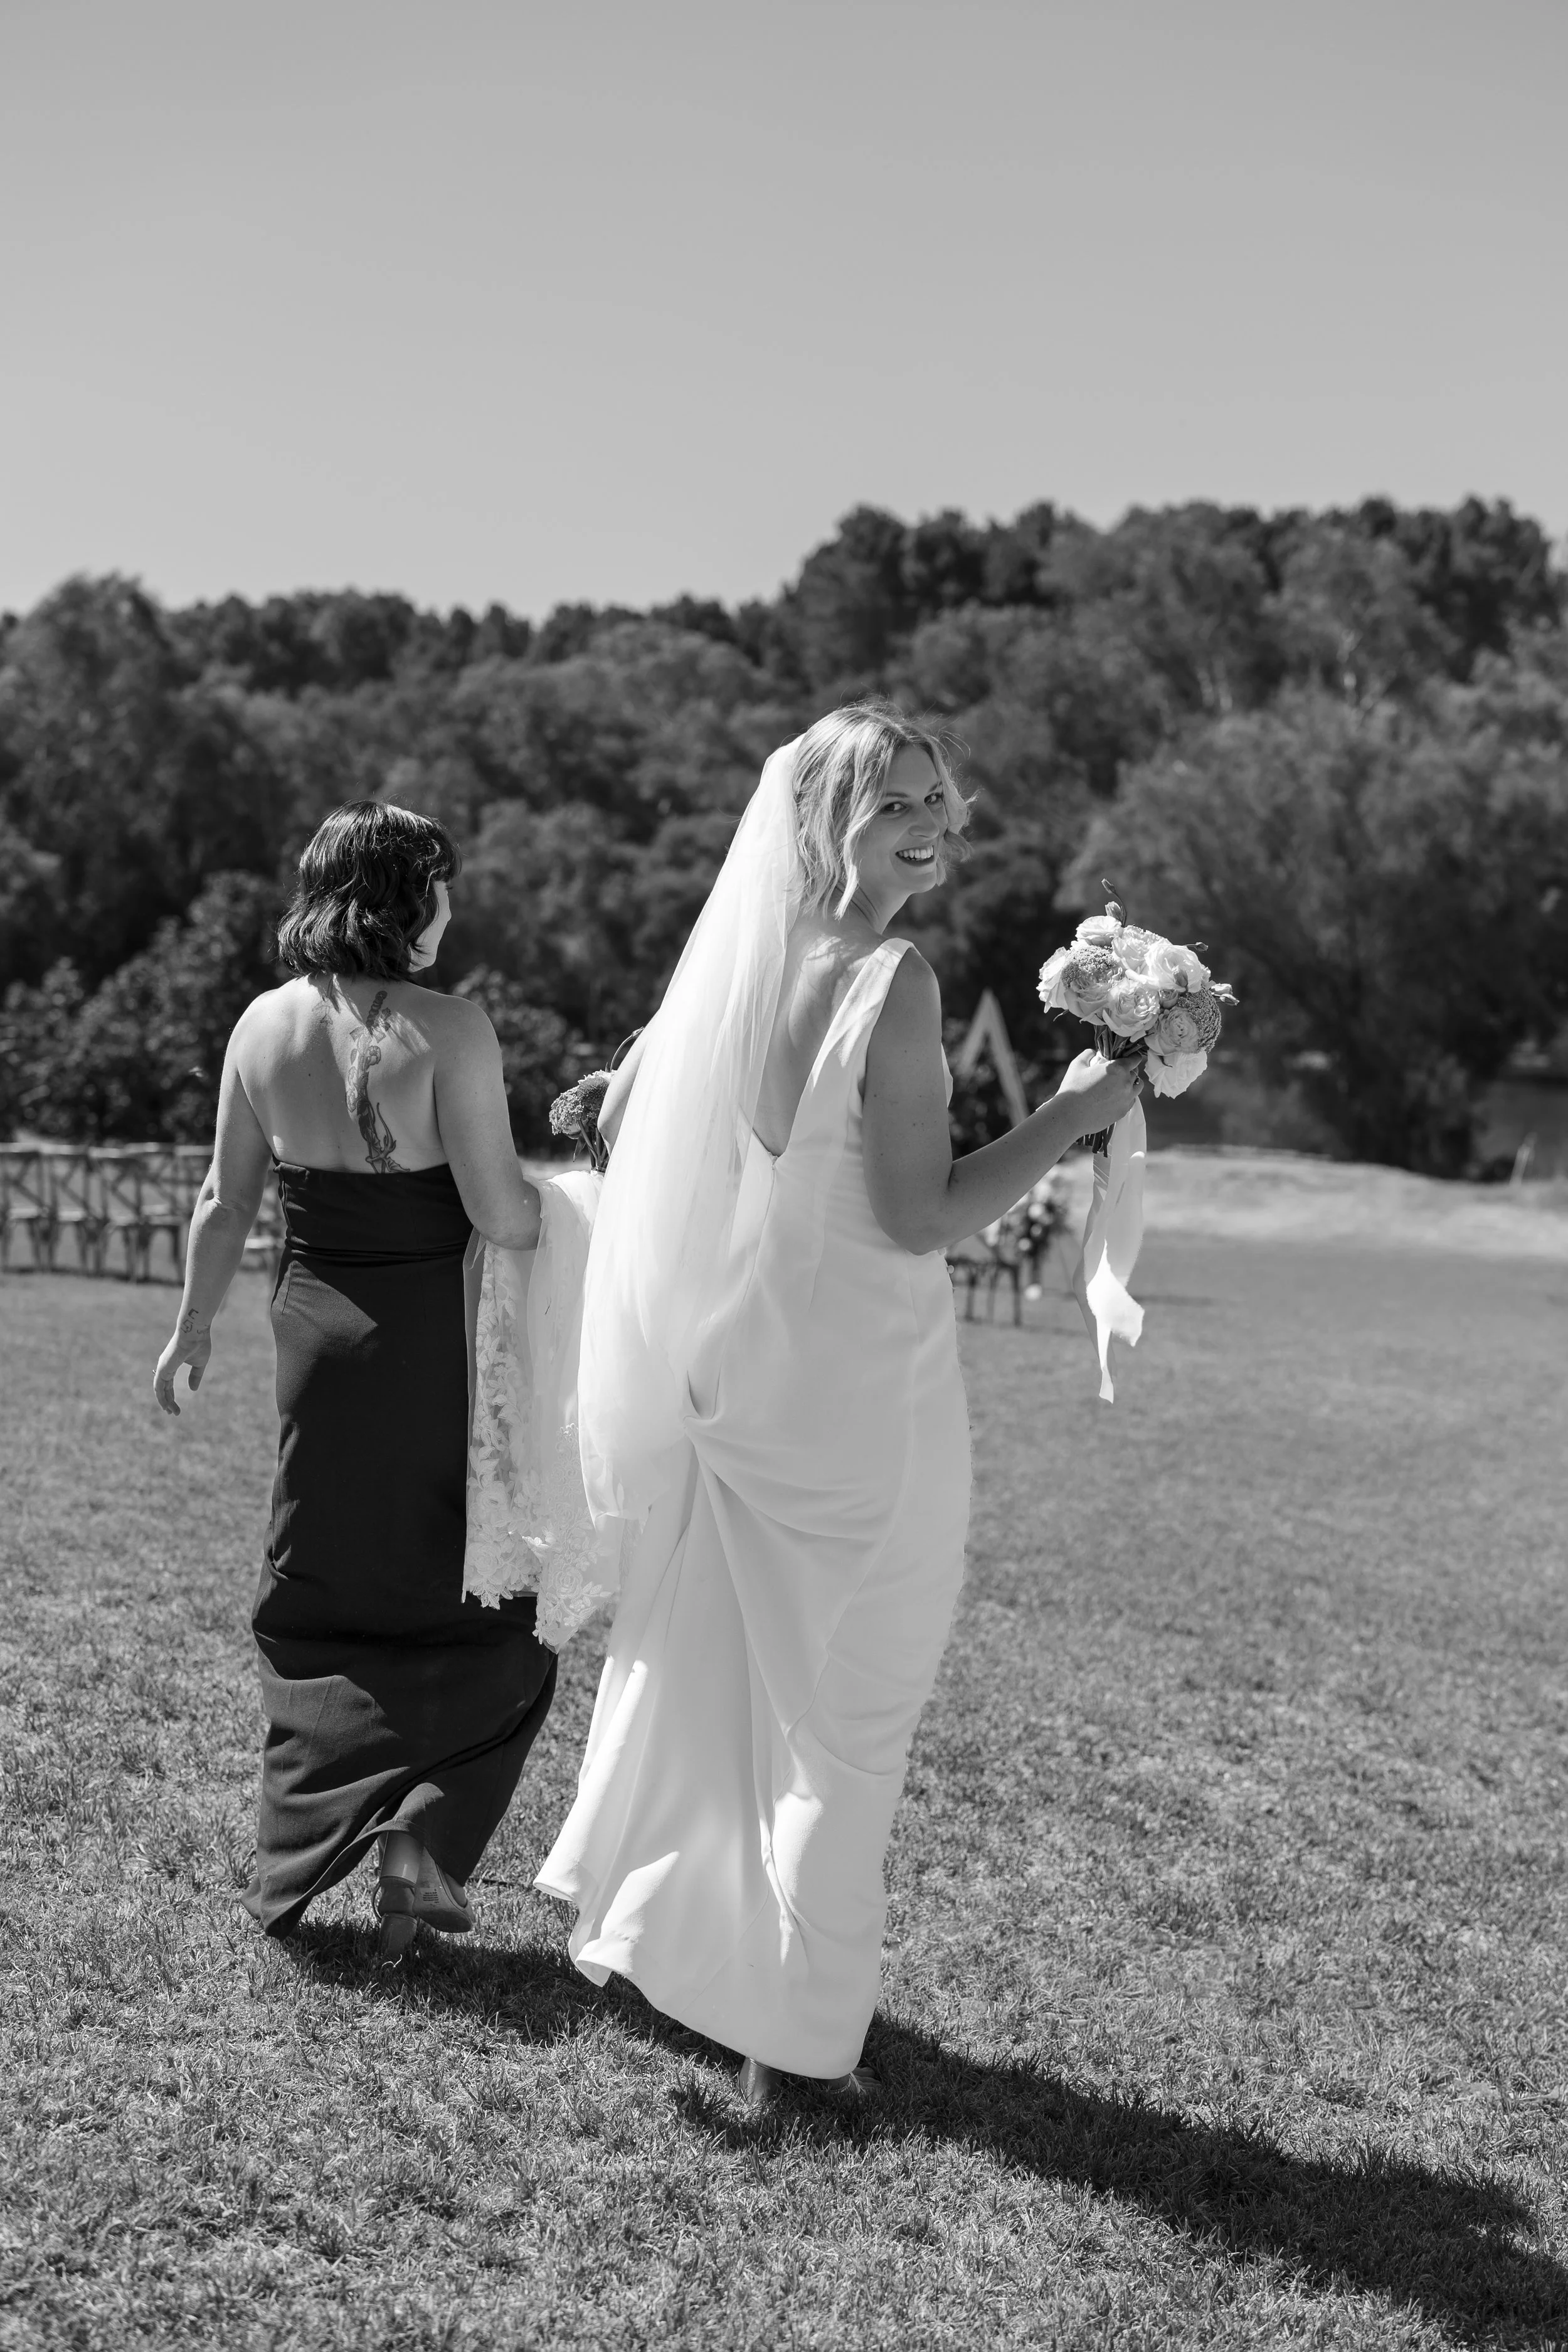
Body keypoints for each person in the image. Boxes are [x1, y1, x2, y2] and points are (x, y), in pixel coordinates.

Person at [535, 704, 1143, 2103]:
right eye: (893, 809)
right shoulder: (892, 977)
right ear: (825, 825)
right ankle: (795, 2046)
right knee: (851, 1712)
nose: (930, 825)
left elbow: (619, 1119)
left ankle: (694, 1954)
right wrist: (1073, 1111)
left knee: (735, 1676)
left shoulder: (737, 963)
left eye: (936, 798)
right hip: (862, 1384)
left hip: (746, 1364)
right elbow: (919, 1212)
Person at [152, 803, 557, 1954]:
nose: (451, 909)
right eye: (439, 886)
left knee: (323, 1589)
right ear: (400, 898)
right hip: (433, 1347)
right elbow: (502, 1213)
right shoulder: (454, 1030)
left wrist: (191, 1329)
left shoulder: (260, 1028)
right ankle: (419, 1843)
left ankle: (311, 1846)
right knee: (489, 1603)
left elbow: (223, 1201)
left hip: (311, 1344)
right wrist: (591, 1204)